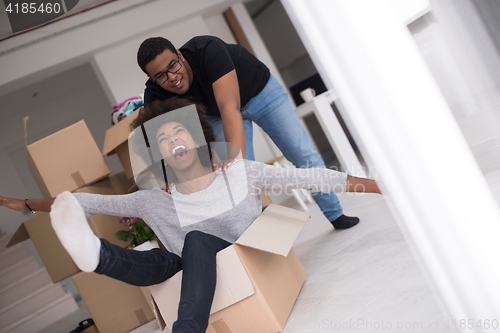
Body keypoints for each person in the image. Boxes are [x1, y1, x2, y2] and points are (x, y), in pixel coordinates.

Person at [0, 98, 381, 333]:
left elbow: (309, 177)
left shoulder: (240, 173)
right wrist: (27, 205)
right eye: (162, 140)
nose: (172, 140)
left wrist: (379, 185)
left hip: (243, 255)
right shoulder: (154, 199)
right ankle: (96, 256)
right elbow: (83, 202)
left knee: (196, 241)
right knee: (161, 258)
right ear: (159, 155)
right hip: (186, 267)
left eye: (178, 131)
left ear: (197, 137)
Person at [137, 35, 361, 229]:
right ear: (152, 78)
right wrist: (168, 179)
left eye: (173, 66)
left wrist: (235, 160)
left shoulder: (207, 50)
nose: (172, 77)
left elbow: (230, 108)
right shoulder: (155, 93)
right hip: (215, 113)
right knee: (239, 179)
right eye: (161, 76)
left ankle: (335, 214)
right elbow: (156, 144)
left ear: (180, 55)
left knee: (302, 154)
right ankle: (262, 238)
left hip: (261, 93)